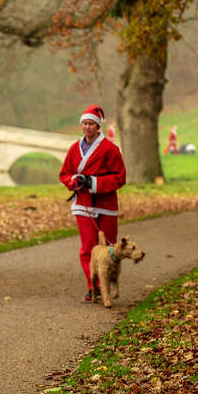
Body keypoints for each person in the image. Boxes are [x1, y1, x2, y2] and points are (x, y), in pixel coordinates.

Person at [59, 105, 126, 301]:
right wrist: (74, 181)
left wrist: (95, 182)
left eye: (91, 124)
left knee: (110, 248)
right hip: (83, 204)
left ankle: (110, 282)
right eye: (84, 123)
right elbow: (65, 174)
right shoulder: (74, 148)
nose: (87, 127)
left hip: (106, 204)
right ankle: (93, 287)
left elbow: (120, 178)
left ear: (98, 127)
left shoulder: (111, 149)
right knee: (88, 247)